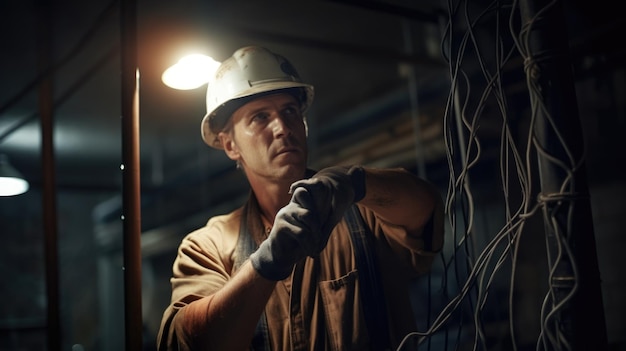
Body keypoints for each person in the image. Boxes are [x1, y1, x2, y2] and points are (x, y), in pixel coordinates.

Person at [157, 45, 445, 351]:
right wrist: (266, 264)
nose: (282, 128)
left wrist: (357, 183)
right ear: (230, 145)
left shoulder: (363, 211)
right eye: (260, 117)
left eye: (290, 111)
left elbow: (425, 210)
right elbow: (192, 343)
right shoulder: (209, 246)